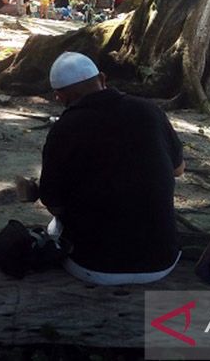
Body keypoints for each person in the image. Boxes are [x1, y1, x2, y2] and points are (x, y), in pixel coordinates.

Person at [39, 52, 184, 285]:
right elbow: (178, 170)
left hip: (94, 267)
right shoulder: (150, 110)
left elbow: (54, 204)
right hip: (162, 261)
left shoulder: (64, 128)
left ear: (59, 96)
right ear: (103, 79)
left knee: (54, 228)